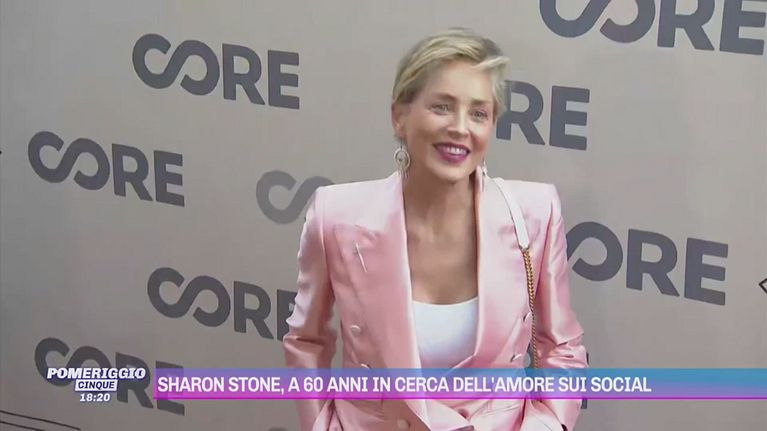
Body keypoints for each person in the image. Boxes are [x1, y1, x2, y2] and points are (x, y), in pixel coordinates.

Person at [283, 28, 587, 431]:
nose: (460, 127)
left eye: (478, 113)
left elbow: (562, 348)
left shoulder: (535, 214)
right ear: (399, 116)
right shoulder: (335, 217)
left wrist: (548, 426)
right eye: (442, 107)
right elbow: (306, 341)